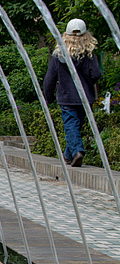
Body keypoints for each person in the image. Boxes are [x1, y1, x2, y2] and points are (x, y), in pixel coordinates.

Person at [43, 18, 101, 167]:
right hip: (85, 97)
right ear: (86, 36)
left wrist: (48, 97)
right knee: (76, 125)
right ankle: (69, 155)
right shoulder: (89, 54)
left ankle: (76, 152)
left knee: (71, 125)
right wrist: (88, 83)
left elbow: (49, 79)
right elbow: (96, 74)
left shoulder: (58, 55)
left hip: (67, 97)